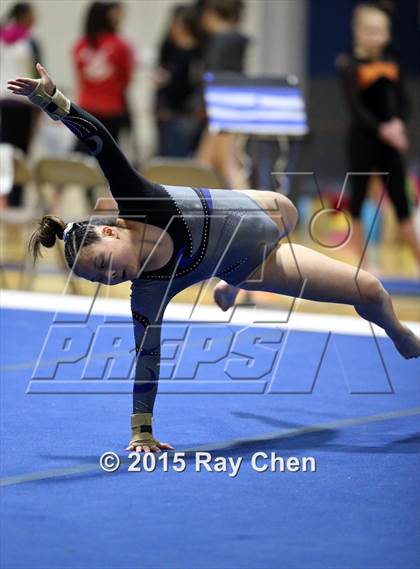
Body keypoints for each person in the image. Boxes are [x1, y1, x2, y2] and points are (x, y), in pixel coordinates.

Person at [7, 64, 419, 452]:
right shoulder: (146, 293)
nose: (109, 275)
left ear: (110, 230)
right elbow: (147, 358)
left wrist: (52, 100)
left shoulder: (140, 200)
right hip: (252, 263)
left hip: (267, 213)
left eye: (102, 263)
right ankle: (399, 332)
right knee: (368, 289)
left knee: (288, 212)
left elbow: (100, 140)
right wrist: (142, 431)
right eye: (99, 281)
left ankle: (228, 283)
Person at [336, 2, 419, 267]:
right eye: (370, 31)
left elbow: (405, 102)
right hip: (364, 139)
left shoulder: (392, 61)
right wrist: (384, 130)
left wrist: (398, 125)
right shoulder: (347, 63)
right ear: (357, 31)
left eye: (381, 31)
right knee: (358, 199)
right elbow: (357, 109)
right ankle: (362, 266)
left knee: (401, 202)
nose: (376, 37)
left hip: (390, 140)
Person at [72, 1, 135, 205]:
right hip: (111, 110)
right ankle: (108, 201)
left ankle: (82, 197)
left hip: (85, 109)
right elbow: (126, 79)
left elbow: (81, 76)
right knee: (109, 161)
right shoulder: (121, 46)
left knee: (79, 157)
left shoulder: (79, 46)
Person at [195, 0, 249, 189]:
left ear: (210, 14)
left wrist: (203, 105)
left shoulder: (220, 41)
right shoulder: (236, 40)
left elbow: (213, 77)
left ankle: (253, 211)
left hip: (221, 111)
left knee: (226, 166)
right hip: (232, 108)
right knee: (207, 163)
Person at [0, 2, 41, 206]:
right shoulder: (29, 41)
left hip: (7, 102)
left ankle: (8, 198)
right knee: (19, 155)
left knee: (6, 152)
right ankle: (14, 199)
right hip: (22, 102)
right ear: (24, 15)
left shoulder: (2, 37)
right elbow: (38, 73)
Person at [154, 4, 204, 157]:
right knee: (166, 152)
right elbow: (162, 76)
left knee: (182, 154)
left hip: (187, 112)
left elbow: (195, 82)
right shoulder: (168, 46)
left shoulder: (198, 50)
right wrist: (160, 105)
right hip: (168, 110)